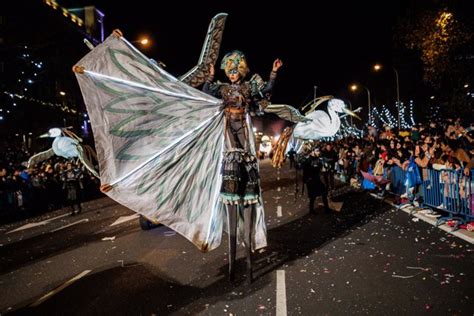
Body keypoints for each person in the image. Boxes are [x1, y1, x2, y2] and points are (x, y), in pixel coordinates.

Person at [203, 50, 283, 282]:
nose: (234, 75)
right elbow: (207, 92)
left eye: (237, 71)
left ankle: (247, 263)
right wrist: (209, 75)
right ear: (227, 73)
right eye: (230, 71)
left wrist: (274, 73)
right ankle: (233, 267)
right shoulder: (222, 88)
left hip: (244, 129)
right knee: (230, 157)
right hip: (229, 127)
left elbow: (266, 91)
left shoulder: (248, 87)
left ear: (242, 72)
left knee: (245, 158)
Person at [301, 147, 331, 214]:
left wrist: (325, 167)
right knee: (313, 196)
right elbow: (304, 169)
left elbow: (321, 168)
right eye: (317, 151)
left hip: (317, 179)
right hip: (311, 181)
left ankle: (326, 208)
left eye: (318, 151)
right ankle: (311, 210)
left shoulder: (318, 159)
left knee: (324, 193)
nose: (318, 152)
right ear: (312, 152)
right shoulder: (308, 160)